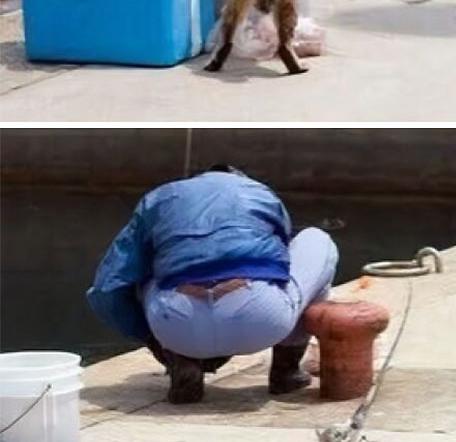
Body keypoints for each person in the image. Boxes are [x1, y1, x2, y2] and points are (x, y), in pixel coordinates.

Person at [86, 165, 338, 403]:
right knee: (317, 239)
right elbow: (281, 259)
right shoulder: (260, 193)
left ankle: (182, 362)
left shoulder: (159, 198)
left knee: (145, 265)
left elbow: (109, 285)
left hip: (177, 325)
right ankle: (286, 372)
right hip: (260, 320)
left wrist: (149, 337)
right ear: (238, 177)